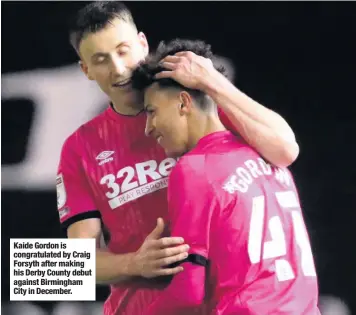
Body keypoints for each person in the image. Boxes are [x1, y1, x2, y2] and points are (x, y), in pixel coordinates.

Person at [57, 2, 300, 315]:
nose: (118, 68)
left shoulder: (202, 103)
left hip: (220, 305)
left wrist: (212, 81)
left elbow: (286, 149)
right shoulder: (79, 148)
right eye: (101, 60)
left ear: (143, 44)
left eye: (123, 50)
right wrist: (135, 263)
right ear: (86, 70)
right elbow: (74, 265)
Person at [130, 38, 321, 315]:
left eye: (152, 112)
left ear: (184, 103)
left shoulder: (195, 168)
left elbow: (188, 294)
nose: (148, 128)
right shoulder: (264, 151)